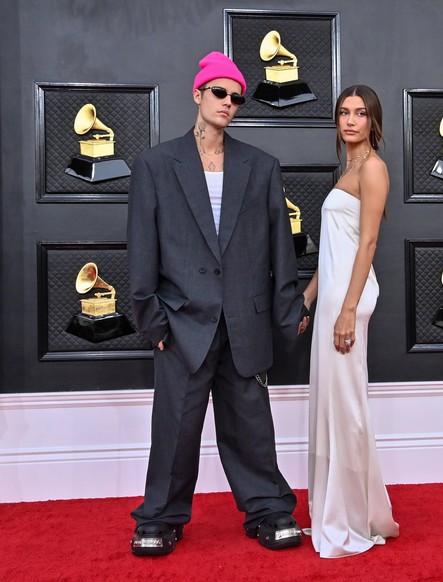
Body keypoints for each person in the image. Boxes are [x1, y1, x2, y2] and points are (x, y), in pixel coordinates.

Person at [127, 51, 309, 556]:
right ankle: (160, 518)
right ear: (198, 93)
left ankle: (270, 510)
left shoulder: (262, 166)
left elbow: (280, 250)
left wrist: (285, 313)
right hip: (180, 321)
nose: (228, 103)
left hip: (244, 320)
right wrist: (153, 321)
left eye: (236, 96)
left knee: (251, 425)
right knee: (175, 428)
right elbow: (142, 250)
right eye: (219, 93)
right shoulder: (155, 165)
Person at [302, 85, 400, 558]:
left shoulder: (374, 169)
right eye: (344, 112)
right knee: (330, 405)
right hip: (332, 298)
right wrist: (307, 301)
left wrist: (345, 309)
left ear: (374, 120)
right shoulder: (350, 170)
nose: (351, 120)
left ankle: (351, 520)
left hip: (351, 300)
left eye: (360, 113)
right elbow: (333, 251)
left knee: (347, 408)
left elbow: (368, 245)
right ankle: (333, 511)